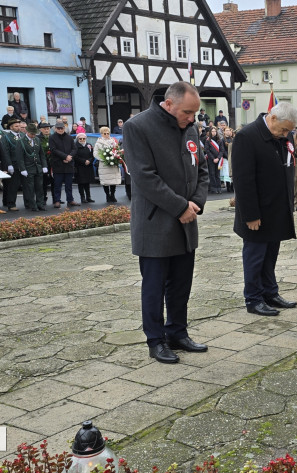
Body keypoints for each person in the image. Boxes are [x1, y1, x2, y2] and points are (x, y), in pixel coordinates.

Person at [122, 81, 208, 364]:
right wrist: (180, 206)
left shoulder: (190, 127)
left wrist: (195, 202)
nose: (191, 119)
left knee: (181, 284)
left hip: (186, 222)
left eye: (194, 113)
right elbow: (145, 177)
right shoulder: (138, 127)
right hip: (155, 223)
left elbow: (202, 168)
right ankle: (156, 340)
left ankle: (177, 333)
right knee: (155, 286)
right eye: (187, 112)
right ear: (169, 104)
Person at [232, 101, 297, 316]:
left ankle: (270, 292)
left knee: (270, 255)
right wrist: (250, 215)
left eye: (288, 130)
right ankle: (253, 299)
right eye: (284, 129)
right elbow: (243, 181)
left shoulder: (280, 135)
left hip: (277, 209)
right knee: (255, 257)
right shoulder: (247, 137)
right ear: (272, 118)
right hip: (257, 213)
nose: (286, 134)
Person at [15, 123, 47, 211]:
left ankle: (40, 204)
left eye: (34, 133)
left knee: (39, 187)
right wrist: (22, 169)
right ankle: (32, 205)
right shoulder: (21, 141)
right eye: (32, 133)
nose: (33, 135)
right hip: (28, 168)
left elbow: (41, 154)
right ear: (27, 132)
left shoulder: (37, 139)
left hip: (38, 167)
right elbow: (19, 157)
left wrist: (44, 166)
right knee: (30, 188)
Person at [49, 122, 78, 208]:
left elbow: (74, 148)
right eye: (58, 128)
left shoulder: (69, 138)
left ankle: (70, 200)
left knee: (69, 185)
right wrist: (65, 157)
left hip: (69, 164)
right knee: (57, 185)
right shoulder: (52, 138)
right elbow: (53, 150)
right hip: (58, 164)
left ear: (64, 128)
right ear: (55, 129)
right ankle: (57, 201)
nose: (60, 130)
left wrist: (70, 157)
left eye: (62, 128)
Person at [94, 127, 121, 203]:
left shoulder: (113, 141)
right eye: (104, 133)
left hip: (113, 164)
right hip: (104, 164)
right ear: (102, 134)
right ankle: (107, 195)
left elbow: (117, 150)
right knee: (106, 181)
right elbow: (95, 153)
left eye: (108, 133)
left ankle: (113, 195)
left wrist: (115, 157)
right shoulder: (98, 143)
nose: (106, 135)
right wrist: (105, 158)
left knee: (113, 180)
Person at [73, 133, 95, 203]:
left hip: (88, 166)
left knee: (87, 183)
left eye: (83, 138)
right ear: (78, 139)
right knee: (81, 183)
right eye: (80, 139)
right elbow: (75, 156)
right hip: (79, 167)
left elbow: (93, 155)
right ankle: (82, 197)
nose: (82, 140)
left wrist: (90, 160)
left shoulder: (89, 145)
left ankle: (88, 197)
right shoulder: (75, 146)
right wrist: (84, 161)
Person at [203, 126, 224, 194]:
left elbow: (222, 150)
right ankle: (213, 188)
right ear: (210, 132)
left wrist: (218, 158)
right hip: (211, 159)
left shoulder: (219, 140)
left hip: (218, 159)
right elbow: (207, 150)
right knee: (212, 173)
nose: (213, 132)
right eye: (212, 131)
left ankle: (219, 188)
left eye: (215, 131)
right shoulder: (208, 140)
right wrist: (213, 158)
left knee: (217, 174)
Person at [223, 127, 235, 192]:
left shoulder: (232, 139)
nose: (228, 132)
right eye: (226, 130)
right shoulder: (222, 140)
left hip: (232, 157)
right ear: (224, 132)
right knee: (227, 173)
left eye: (229, 130)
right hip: (226, 158)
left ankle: (232, 186)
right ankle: (228, 187)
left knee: (232, 172)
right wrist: (227, 156)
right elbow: (223, 149)